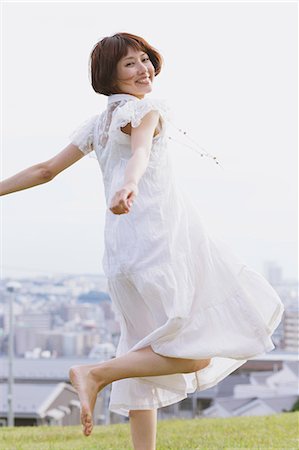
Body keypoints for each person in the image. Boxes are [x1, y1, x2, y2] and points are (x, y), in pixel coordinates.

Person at [1, 32, 285, 449]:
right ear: (109, 76)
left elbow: (45, 171)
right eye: (130, 64)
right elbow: (140, 154)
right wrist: (128, 186)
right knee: (197, 349)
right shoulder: (145, 110)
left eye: (145, 59)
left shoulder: (98, 122)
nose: (143, 69)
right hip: (159, 244)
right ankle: (95, 373)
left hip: (122, 254)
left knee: (141, 355)